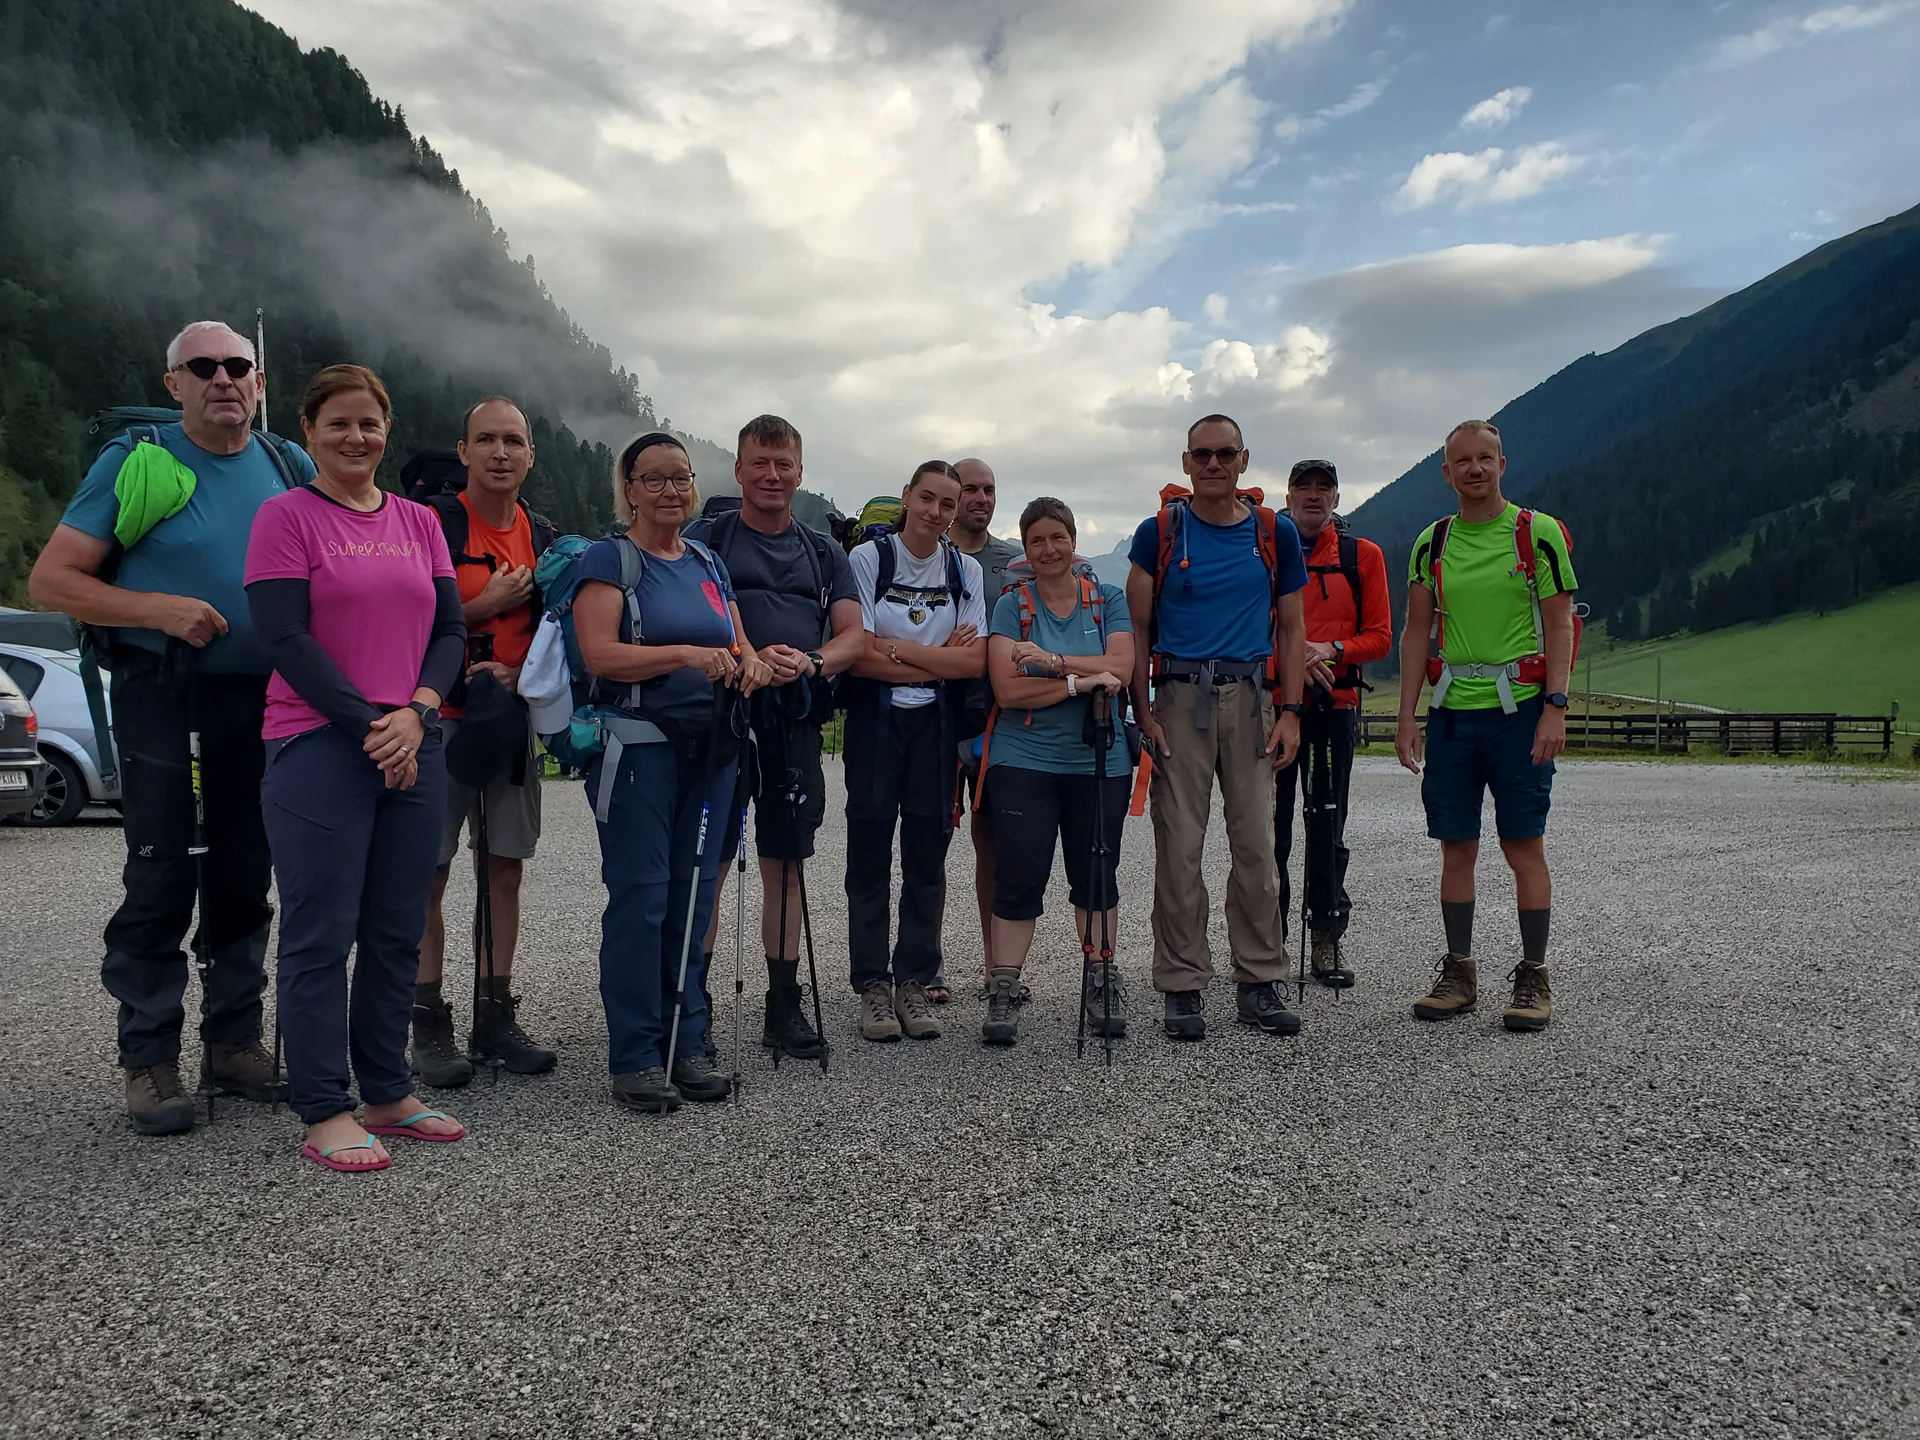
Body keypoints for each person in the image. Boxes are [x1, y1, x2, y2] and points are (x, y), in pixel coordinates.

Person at [29, 320, 317, 1135]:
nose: (224, 379)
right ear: (174, 383)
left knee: (242, 870)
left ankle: (234, 1043)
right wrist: (157, 610)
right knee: (160, 871)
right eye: (204, 367)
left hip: (259, 700)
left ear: (258, 381)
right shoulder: (140, 461)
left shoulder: (281, 464)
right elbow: (53, 579)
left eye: (238, 366)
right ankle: (149, 1057)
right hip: (166, 693)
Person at [244, 364, 468, 1172]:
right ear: (308, 431)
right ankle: (324, 1105)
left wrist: (417, 710)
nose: (355, 437)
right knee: (320, 929)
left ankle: (385, 1088)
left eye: (369, 423)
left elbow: (449, 632)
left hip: (412, 735)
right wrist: (370, 723)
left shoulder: (419, 521)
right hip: (317, 741)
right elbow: (283, 636)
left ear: (386, 429)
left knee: (395, 926)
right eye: (338, 423)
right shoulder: (286, 517)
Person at [573, 432, 772, 1112]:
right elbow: (600, 655)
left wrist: (754, 664)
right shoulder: (611, 561)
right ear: (628, 489)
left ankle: (687, 1045)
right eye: (653, 479)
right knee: (642, 899)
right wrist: (684, 655)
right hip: (638, 751)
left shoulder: (709, 562)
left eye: (680, 478)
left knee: (692, 901)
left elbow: (739, 646)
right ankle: (634, 1056)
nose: (670, 491)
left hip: (709, 752)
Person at [686, 414, 863, 1062]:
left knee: (785, 866)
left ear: (798, 472)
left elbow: (854, 635)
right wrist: (749, 654)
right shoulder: (707, 539)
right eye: (759, 463)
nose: (771, 475)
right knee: (713, 863)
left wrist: (813, 662)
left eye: (783, 463)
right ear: (738, 470)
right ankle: (692, 1010)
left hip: (793, 720)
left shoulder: (823, 552)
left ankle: (782, 1010)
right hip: (722, 720)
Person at [1126, 414, 1307, 1041]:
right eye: (1202, 454)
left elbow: (1291, 628)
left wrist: (1291, 710)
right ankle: (1181, 985)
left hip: (1253, 696)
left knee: (1256, 844)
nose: (1213, 464)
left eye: (1224, 453)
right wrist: (1142, 708)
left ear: (1243, 459)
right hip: (1179, 697)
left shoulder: (1273, 533)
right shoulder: (1159, 534)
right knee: (1179, 847)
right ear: (1185, 462)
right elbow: (1137, 629)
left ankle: (1260, 979)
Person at [1396, 420, 1576, 1033]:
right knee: (1457, 845)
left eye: (1485, 459)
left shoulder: (1537, 534)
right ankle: (1460, 971)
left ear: (1504, 464)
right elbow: (1417, 631)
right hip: (1452, 713)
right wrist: (1407, 716)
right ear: (1446, 473)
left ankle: (1533, 976)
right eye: (1462, 461)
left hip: (1520, 712)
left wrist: (1556, 705)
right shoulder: (1433, 541)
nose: (1475, 469)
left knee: (1522, 844)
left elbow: (1560, 624)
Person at [411, 396, 558, 1087]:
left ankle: (495, 1017)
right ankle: (428, 1021)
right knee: (428, 873)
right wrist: (482, 608)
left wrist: (521, 675)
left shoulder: (545, 535)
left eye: (514, 442)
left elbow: (562, 643)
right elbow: (402, 620)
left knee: (505, 868)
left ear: (531, 456)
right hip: (439, 719)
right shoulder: (433, 526)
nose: (501, 453)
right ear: (463, 451)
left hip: (509, 720)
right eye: (487, 440)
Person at [977, 498, 1134, 1046]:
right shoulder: (1010, 605)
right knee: (1019, 874)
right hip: (1023, 759)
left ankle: (1100, 977)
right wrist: (1081, 685)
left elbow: (1124, 667)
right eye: (1037, 540)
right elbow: (1007, 688)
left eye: (1057, 538)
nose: (1048, 549)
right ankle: (1004, 986)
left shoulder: (1107, 599)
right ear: (1025, 548)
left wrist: (1052, 662)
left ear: (1073, 541)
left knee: (1096, 872)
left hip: (1099, 759)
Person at [843, 461, 986, 1042]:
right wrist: (932, 656)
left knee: (928, 854)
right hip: (876, 720)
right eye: (925, 499)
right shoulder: (868, 560)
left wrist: (895, 649)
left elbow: (974, 661)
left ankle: (915, 980)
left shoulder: (964, 568)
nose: (934, 512)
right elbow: (858, 653)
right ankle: (873, 984)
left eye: (946, 505)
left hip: (936, 723)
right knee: (870, 851)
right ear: (906, 497)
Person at [1274, 459, 1391, 987]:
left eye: (1324, 488)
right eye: (1305, 487)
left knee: (1326, 825)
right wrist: (1296, 660)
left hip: (1334, 707)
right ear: (1290, 494)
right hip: (1273, 706)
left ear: (1337, 497)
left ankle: (1325, 937)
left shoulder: (1362, 556)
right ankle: (1267, 942)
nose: (1314, 496)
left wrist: (1333, 648)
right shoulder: (1265, 549)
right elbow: (1248, 631)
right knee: (1267, 828)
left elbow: (1381, 635)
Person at [943, 456, 1023, 1003]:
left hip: (999, 721)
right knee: (927, 845)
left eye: (989, 489)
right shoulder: (929, 555)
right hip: (936, 716)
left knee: (993, 844)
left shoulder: (1015, 563)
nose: (981, 498)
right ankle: (922, 967)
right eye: (970, 489)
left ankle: (998, 968)